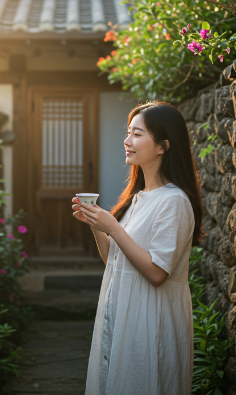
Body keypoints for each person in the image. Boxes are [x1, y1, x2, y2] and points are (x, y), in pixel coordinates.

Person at [72, 100, 204, 395]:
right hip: (125, 313)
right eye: (128, 132)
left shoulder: (174, 201)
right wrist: (96, 223)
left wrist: (113, 227)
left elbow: (157, 273)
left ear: (163, 146)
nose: (127, 141)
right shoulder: (136, 198)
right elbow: (113, 260)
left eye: (137, 134)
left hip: (150, 319)